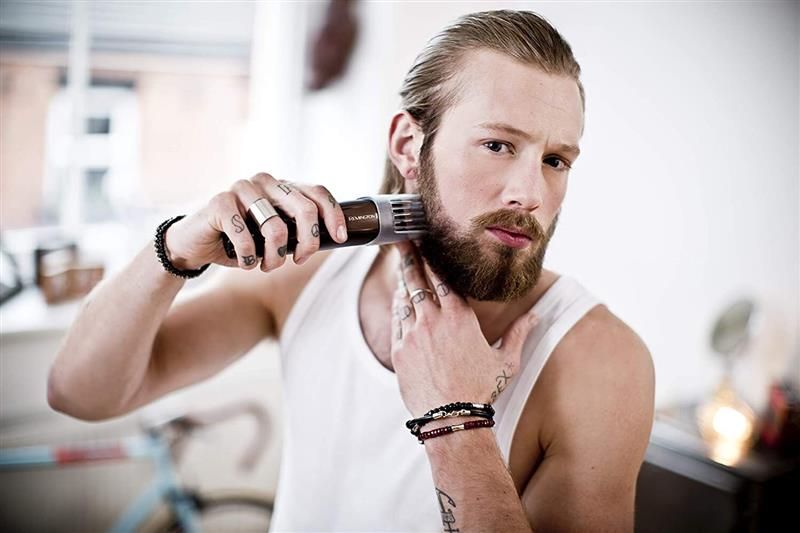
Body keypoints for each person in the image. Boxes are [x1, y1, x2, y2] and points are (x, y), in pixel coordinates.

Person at [48, 10, 655, 532]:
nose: (532, 193)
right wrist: (174, 249)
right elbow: (80, 392)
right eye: (498, 145)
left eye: (556, 160)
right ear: (408, 146)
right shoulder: (306, 277)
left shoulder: (600, 364)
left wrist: (456, 424)